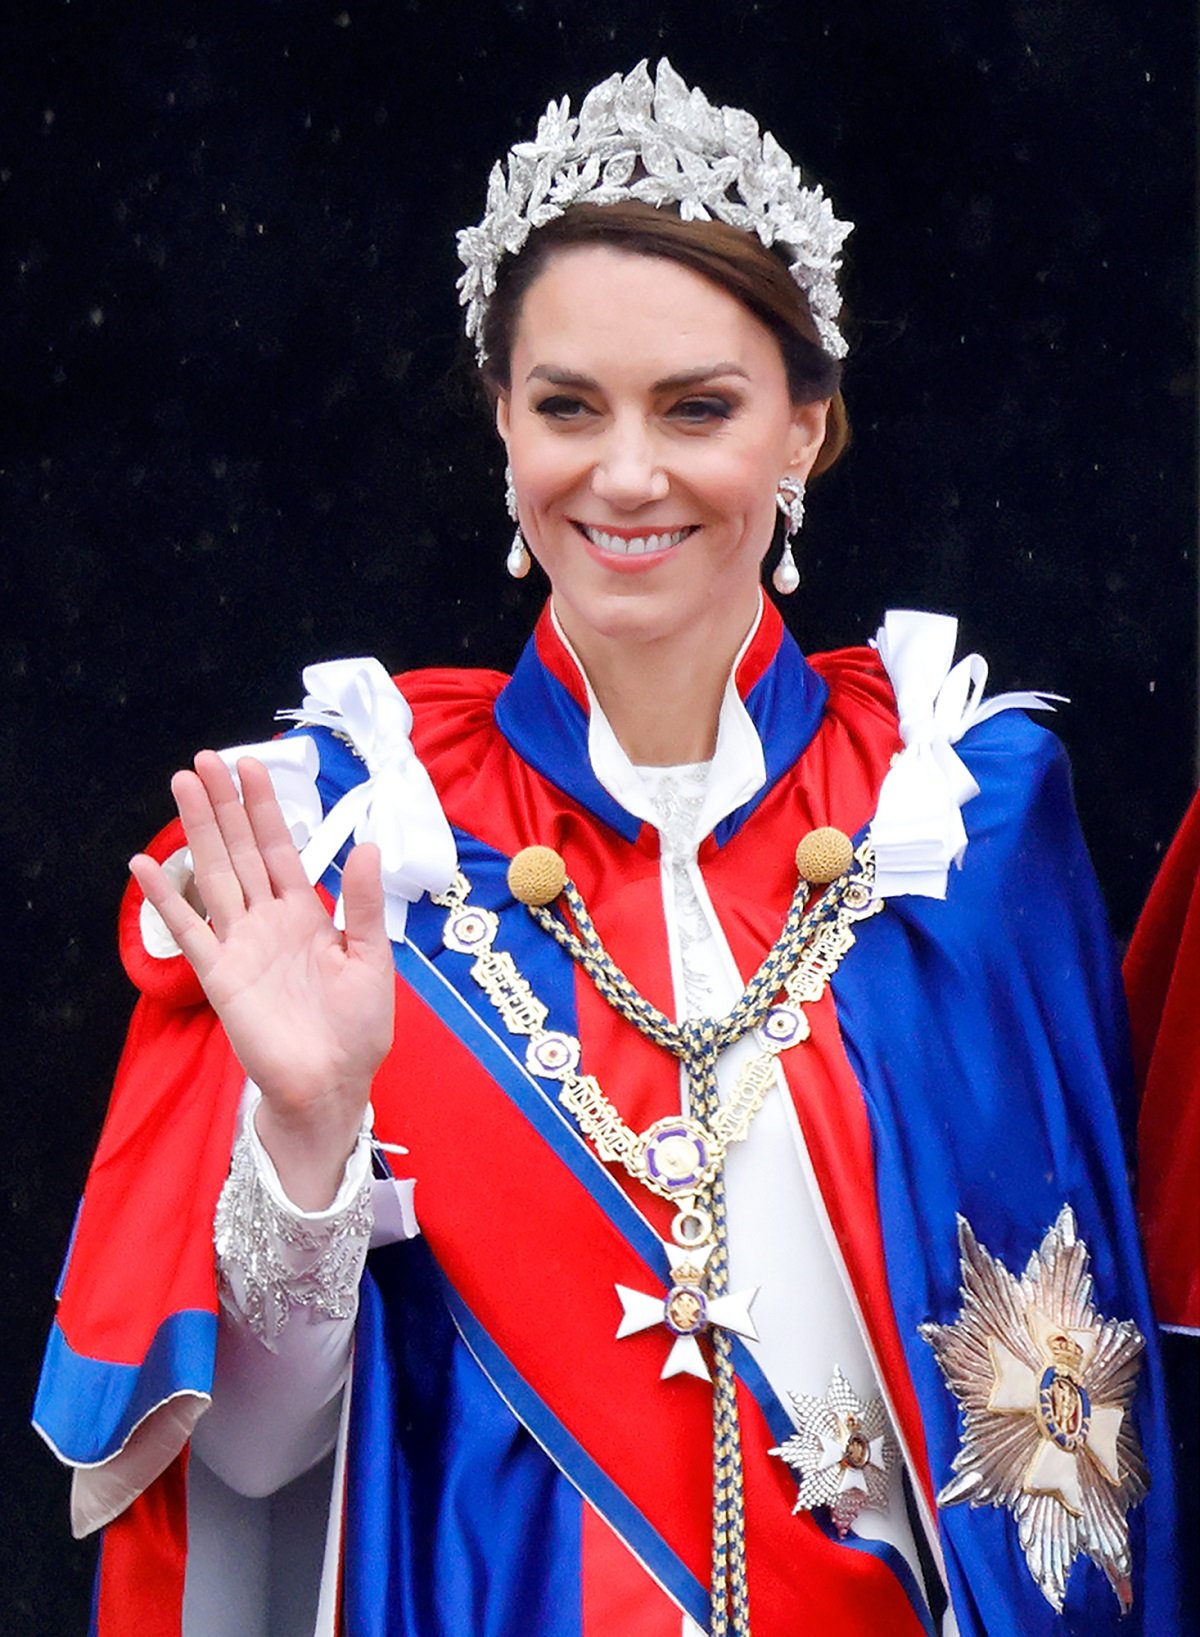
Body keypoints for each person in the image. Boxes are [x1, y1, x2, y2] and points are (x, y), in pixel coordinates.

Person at [34, 59, 1187, 1637]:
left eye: (697, 407)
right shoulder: (352, 840)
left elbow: (1088, 1443)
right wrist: (306, 1135)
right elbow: (245, 1466)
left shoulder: (967, 824)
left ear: (808, 427)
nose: (626, 474)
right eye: (567, 405)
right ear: (504, 428)